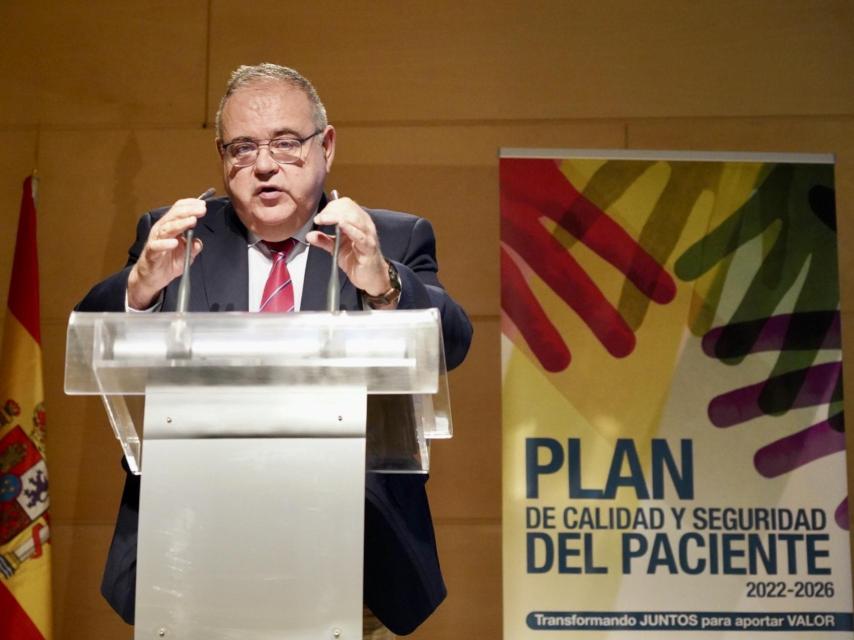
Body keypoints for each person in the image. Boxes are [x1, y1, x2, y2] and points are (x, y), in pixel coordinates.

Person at [75, 63, 473, 638]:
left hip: (352, 562)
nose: (263, 165)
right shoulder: (177, 237)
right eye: (242, 147)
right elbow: (87, 340)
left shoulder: (386, 239)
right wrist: (139, 289)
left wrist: (384, 283)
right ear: (222, 156)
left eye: (286, 144)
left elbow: (453, 342)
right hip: (189, 559)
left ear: (326, 146)